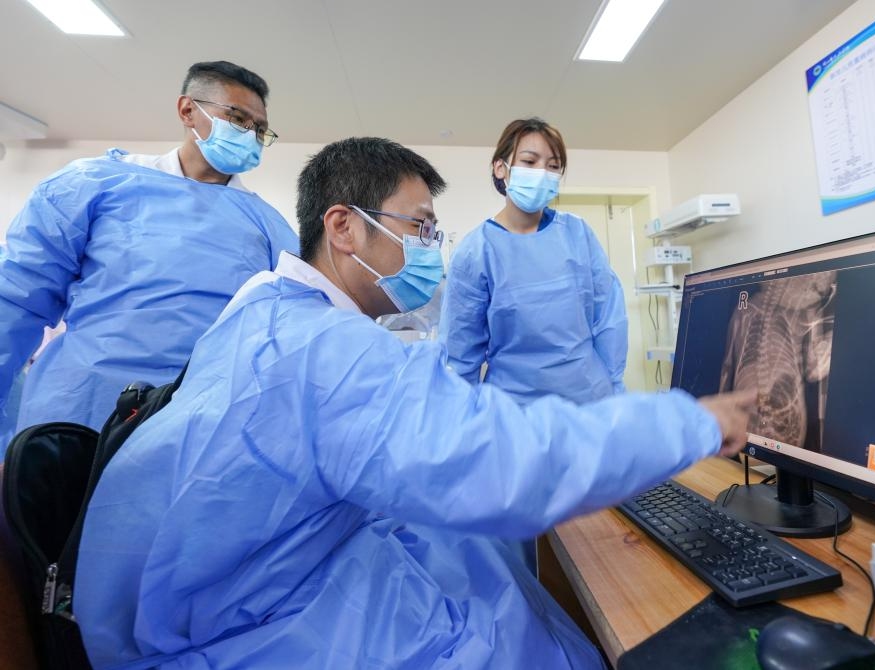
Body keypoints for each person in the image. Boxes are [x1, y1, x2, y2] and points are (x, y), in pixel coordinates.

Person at [76, 137, 756, 669]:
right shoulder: (325, 349)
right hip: (246, 627)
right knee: (526, 623)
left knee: (496, 571)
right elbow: (500, 460)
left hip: (214, 592)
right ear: (343, 226)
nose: (433, 247)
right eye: (422, 227)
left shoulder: (265, 311)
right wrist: (689, 419)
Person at [0, 60, 297, 433]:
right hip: (78, 414)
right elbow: (15, 302)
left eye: (259, 129)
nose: (249, 134)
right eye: (237, 118)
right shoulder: (95, 185)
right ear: (188, 110)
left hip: (203, 426)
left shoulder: (270, 228)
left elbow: (288, 338)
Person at [440, 117, 628, 405]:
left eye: (553, 166)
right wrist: (461, 419)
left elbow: (608, 319)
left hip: (589, 401)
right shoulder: (475, 252)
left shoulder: (578, 235)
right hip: (515, 412)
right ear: (500, 167)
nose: (542, 173)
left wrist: (614, 389)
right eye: (529, 162)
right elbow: (460, 353)